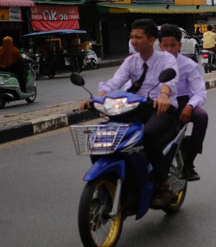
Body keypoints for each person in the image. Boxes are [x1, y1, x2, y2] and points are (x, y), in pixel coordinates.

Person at [80, 19, 179, 205]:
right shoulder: (130, 61)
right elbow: (115, 82)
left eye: (138, 37)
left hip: (161, 108)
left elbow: (169, 81)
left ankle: (163, 183)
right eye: (132, 37)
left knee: (148, 135)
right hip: (134, 106)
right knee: (108, 131)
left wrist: (164, 96)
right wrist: (96, 98)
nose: (133, 40)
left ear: (151, 40)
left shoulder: (166, 59)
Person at [158, 24, 208, 182]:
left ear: (179, 45)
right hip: (158, 102)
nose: (169, 49)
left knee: (201, 116)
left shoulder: (189, 65)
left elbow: (199, 91)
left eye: (173, 45)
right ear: (159, 45)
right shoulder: (152, 63)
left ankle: (189, 162)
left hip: (182, 102)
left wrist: (190, 106)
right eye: (165, 45)